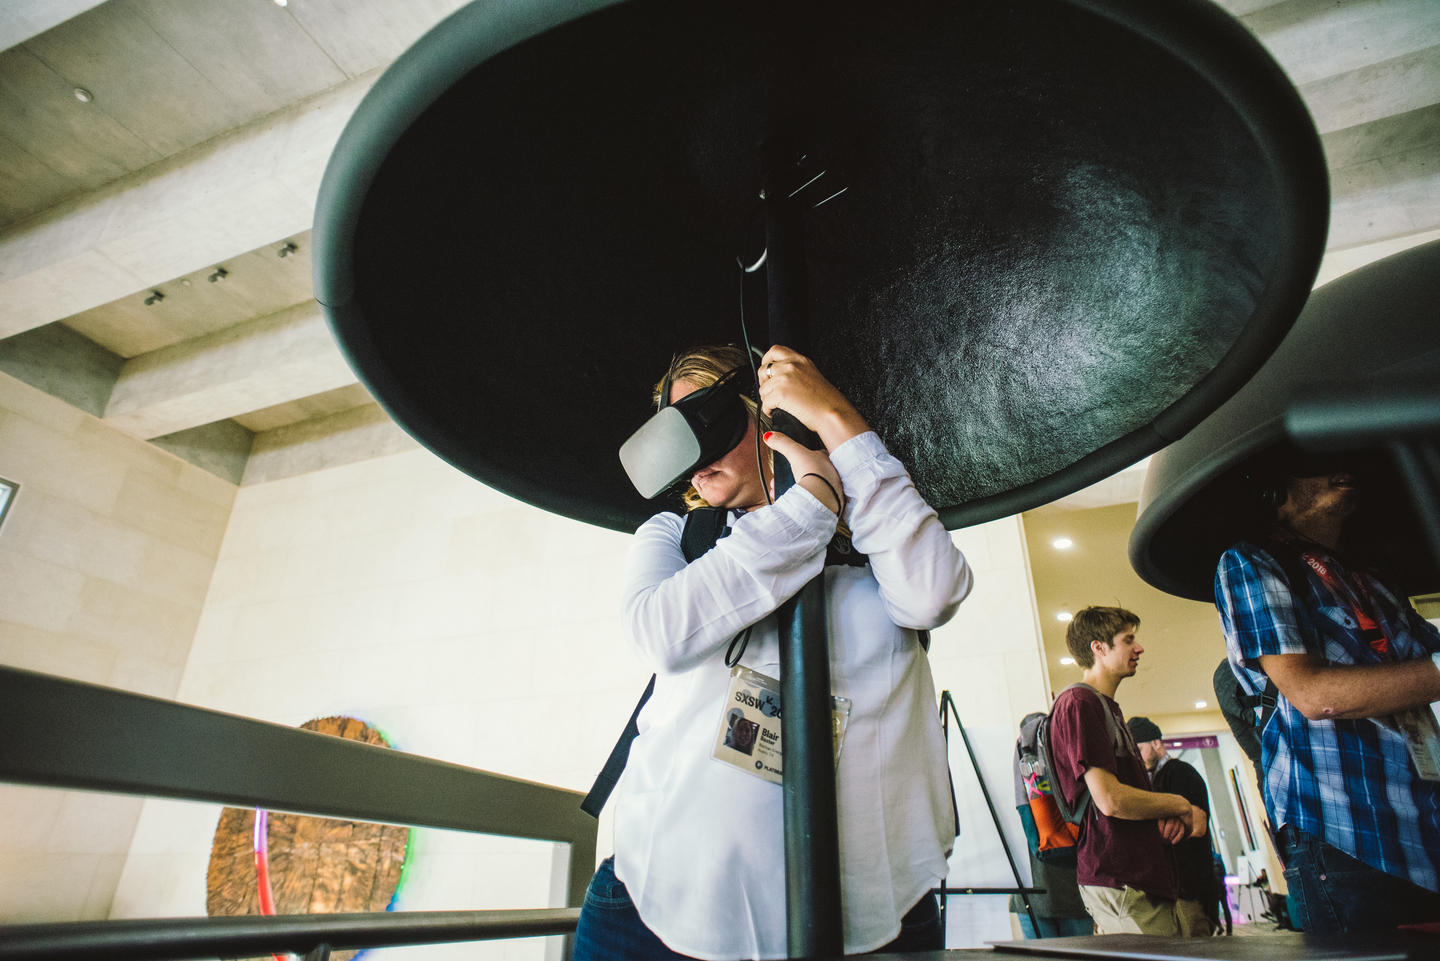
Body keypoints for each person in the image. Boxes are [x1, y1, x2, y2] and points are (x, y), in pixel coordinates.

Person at [572, 344, 973, 960]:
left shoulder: (877, 534)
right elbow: (660, 634)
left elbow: (931, 592)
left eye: (703, 426)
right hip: (657, 903)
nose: (691, 460)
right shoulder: (677, 535)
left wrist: (839, 425)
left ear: (769, 417)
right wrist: (805, 510)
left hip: (872, 912)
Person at [1216, 457, 1440, 934]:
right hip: (1341, 828)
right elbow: (1313, 694)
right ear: (1275, 485)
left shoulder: (1375, 578)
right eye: (1317, 458)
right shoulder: (1251, 560)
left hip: (1423, 822)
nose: (1346, 465)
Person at [1046, 607, 1205, 936]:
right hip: (1120, 878)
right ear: (1099, 648)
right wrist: (1179, 805)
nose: (1139, 648)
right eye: (1128, 640)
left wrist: (1160, 816)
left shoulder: (1105, 707)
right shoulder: (1079, 702)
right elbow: (1110, 800)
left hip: (1136, 877)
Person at [1128, 716, 1221, 936]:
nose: (1138, 760)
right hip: (1168, 892)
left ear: (1156, 743)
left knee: (1197, 953)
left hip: (1191, 891)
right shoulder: (1151, 780)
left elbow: (1198, 825)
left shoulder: (1181, 773)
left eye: (1140, 750)